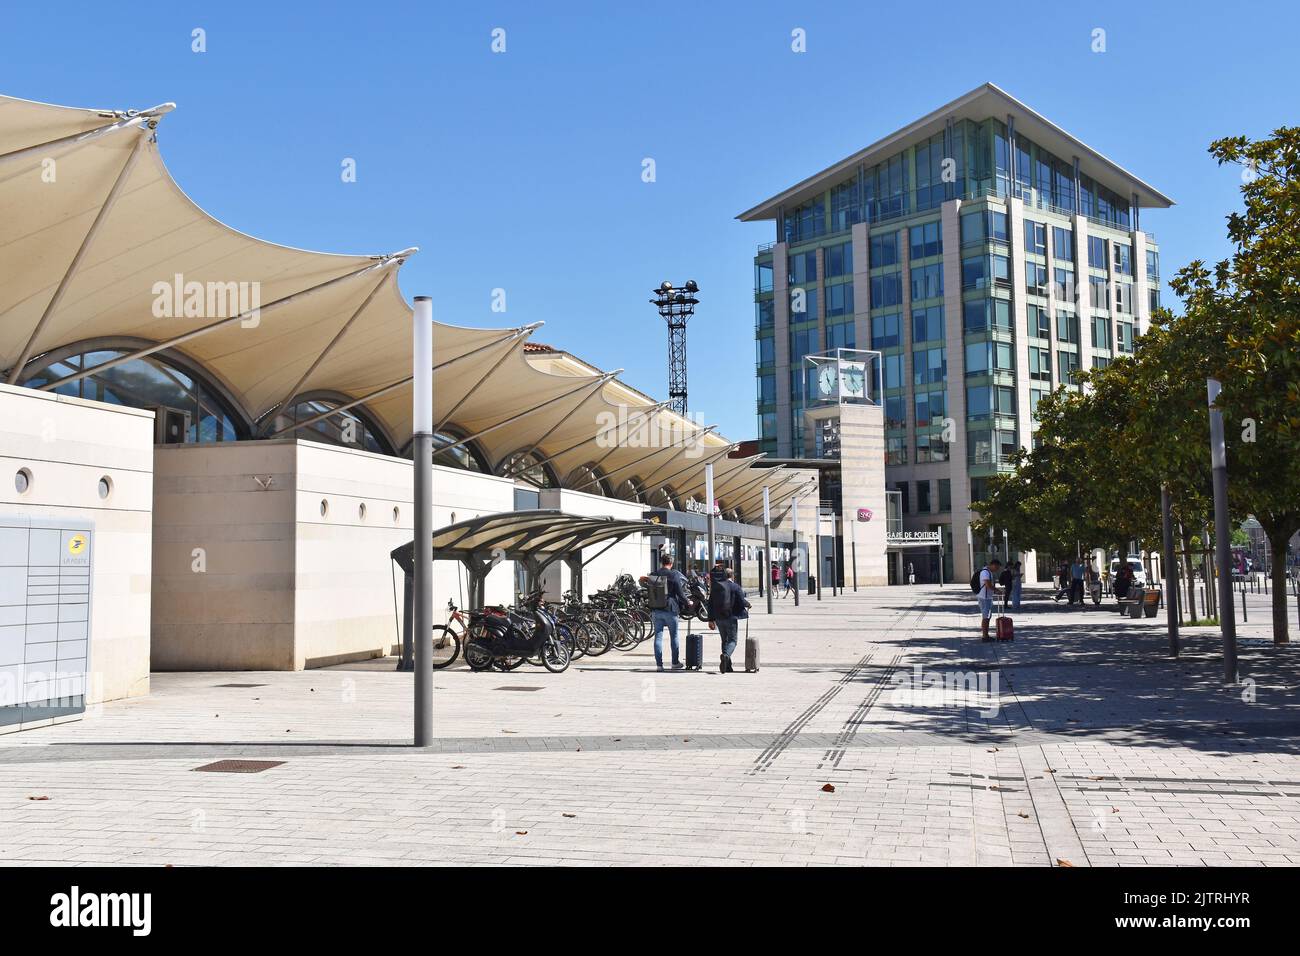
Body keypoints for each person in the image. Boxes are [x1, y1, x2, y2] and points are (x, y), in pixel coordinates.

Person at [639, 553, 690, 671]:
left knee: (658, 637)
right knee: (674, 636)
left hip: (657, 609)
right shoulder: (673, 575)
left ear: (661, 563)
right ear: (671, 563)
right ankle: (675, 662)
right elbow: (680, 593)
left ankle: (659, 665)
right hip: (671, 609)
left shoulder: (654, 574)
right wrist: (688, 602)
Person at [708, 566, 750, 673]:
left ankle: (727, 666)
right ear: (732, 575)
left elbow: (710, 603)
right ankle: (726, 656)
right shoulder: (735, 587)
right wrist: (748, 604)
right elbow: (741, 601)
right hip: (731, 617)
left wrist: (711, 619)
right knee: (733, 641)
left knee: (724, 640)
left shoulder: (716, 587)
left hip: (719, 618)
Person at [978, 558, 1002, 641]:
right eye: (997, 568)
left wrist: (994, 591)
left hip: (988, 597)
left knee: (988, 616)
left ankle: (986, 635)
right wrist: (996, 590)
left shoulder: (988, 572)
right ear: (993, 565)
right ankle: (985, 636)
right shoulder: (985, 572)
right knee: (986, 616)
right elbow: (988, 585)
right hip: (984, 598)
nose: (997, 570)